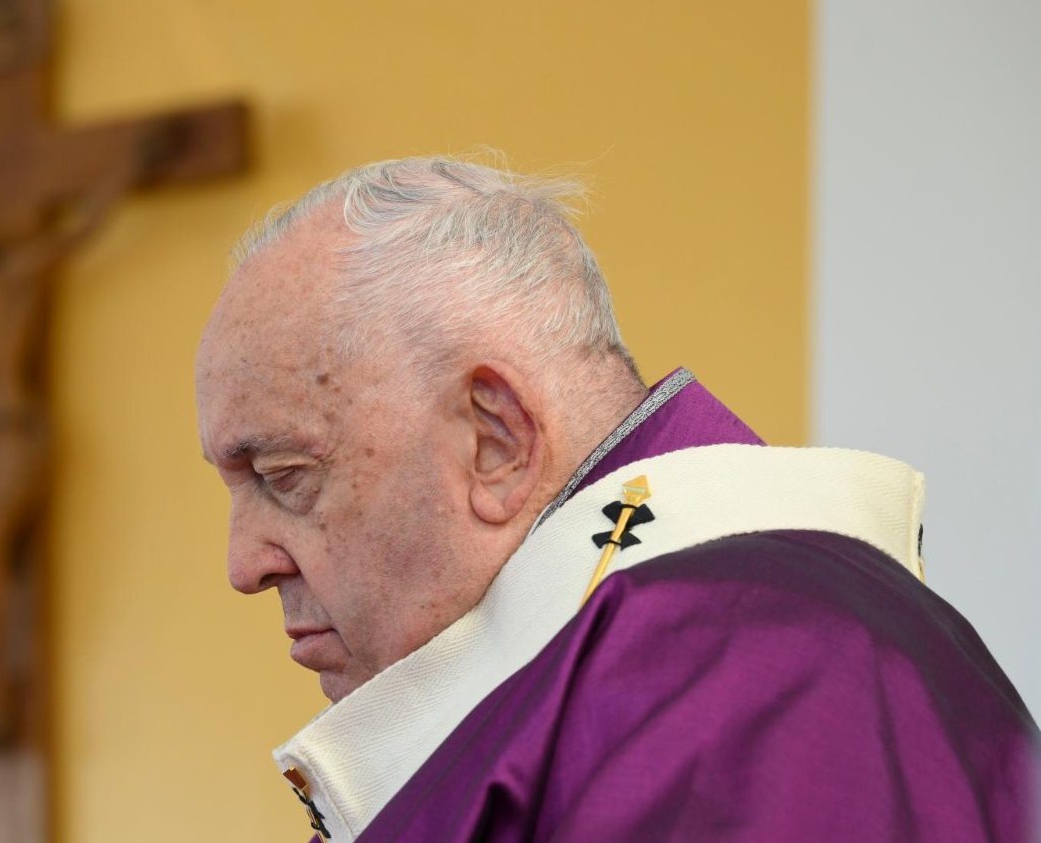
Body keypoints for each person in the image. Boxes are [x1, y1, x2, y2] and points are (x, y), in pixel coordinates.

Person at [194, 156, 1036, 842]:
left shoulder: (753, 680)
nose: (244, 565)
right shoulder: (637, 675)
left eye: (284, 476)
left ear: (497, 440)